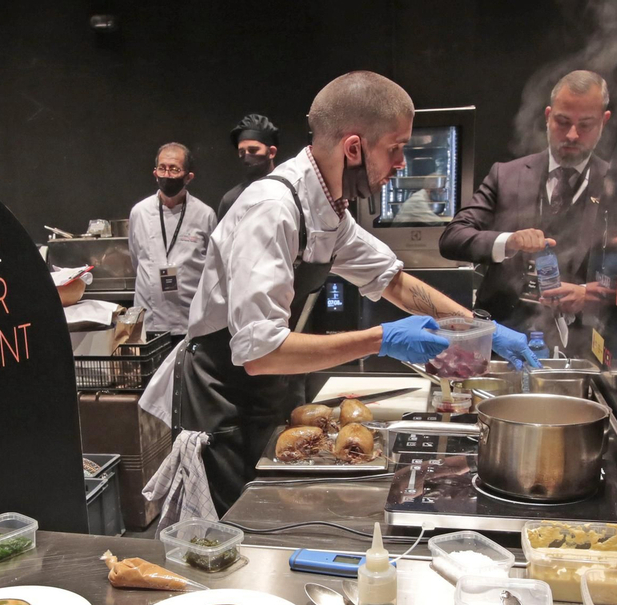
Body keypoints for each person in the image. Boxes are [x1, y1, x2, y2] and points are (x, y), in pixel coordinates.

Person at [176, 71, 538, 514]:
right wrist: (381, 338)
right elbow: (259, 352)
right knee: (239, 527)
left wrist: (481, 330)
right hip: (224, 398)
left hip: (269, 388)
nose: (401, 163)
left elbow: (394, 281)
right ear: (353, 148)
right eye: (395, 147)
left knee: (281, 510)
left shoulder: (328, 207)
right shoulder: (271, 210)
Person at [438, 70, 614, 331]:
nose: (572, 135)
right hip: (501, 334)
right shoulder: (506, 175)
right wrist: (508, 241)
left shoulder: (616, 184)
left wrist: (590, 294)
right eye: (562, 121)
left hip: (580, 340)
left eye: (585, 125)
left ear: (603, 122)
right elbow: (452, 238)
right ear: (548, 116)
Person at [127, 143, 216, 338]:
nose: (167, 174)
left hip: (191, 320)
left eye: (174, 169)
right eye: (162, 168)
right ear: (155, 173)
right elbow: (136, 259)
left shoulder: (204, 214)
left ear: (188, 177)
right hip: (150, 319)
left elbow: (212, 267)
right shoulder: (139, 212)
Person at [217, 113, 279, 221]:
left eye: (253, 150)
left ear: (271, 152)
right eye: (242, 152)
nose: (247, 157)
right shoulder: (231, 200)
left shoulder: (290, 191)